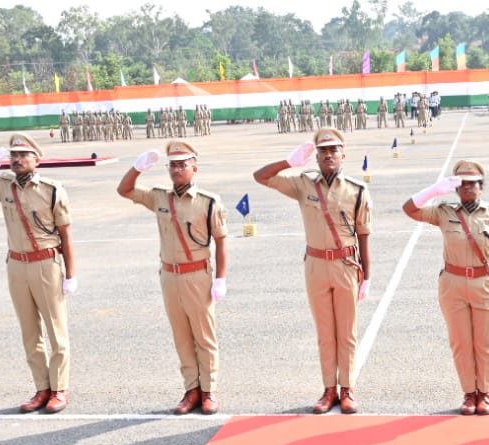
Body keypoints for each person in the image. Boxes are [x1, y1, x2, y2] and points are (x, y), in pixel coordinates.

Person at [253, 127, 371, 413]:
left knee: (347, 332)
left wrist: (367, 277)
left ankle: (348, 389)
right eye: (323, 151)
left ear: (343, 154)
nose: (329, 155)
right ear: (316, 156)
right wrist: (288, 162)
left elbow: (364, 235)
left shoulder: (357, 191)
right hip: (316, 264)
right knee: (325, 332)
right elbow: (261, 177)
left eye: (333, 150)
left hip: (345, 264)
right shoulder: (304, 184)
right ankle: (329, 389)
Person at [0, 133, 77, 413]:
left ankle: (59, 389)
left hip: (46, 263)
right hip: (16, 264)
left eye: (24, 155)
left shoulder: (51, 189)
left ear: (37, 159)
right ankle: (41, 388)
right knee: (29, 331)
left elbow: (65, 234)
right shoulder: (3, 186)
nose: (18, 160)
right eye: (13, 156)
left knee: (56, 331)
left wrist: (71, 273)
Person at [118, 139, 229, 414]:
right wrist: (137, 168)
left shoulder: (208, 202)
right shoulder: (159, 198)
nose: (177, 170)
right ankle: (191, 390)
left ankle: (209, 391)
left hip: (197, 276)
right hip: (170, 276)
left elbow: (222, 242)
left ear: (195, 168)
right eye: (173, 165)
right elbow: (125, 190)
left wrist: (220, 279)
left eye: (183, 165)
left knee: (204, 337)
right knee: (181, 337)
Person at [402, 159, 489, 414]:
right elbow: (409, 208)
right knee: (461, 342)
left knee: (485, 343)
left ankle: (484, 393)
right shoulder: (444, 213)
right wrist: (435, 189)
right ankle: (469, 394)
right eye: (462, 184)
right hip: (453, 285)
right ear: (455, 188)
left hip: (487, 284)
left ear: (481, 187)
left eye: (472, 184)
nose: (467, 188)